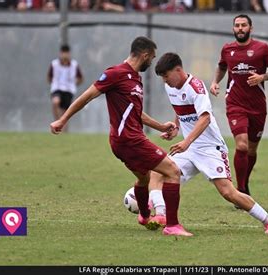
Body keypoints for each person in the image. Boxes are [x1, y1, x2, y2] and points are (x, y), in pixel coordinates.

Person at [50, 37, 192, 237]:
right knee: (173, 171)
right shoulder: (115, 74)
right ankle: (173, 226)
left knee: (144, 178)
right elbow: (87, 96)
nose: (151, 62)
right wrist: (62, 120)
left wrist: (161, 125)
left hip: (127, 140)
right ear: (144, 55)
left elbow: (137, 113)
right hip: (129, 140)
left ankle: (144, 215)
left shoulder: (136, 79)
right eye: (151, 58)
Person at [147, 52, 268, 235]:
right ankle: (162, 215)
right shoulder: (171, 87)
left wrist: (186, 141)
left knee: (228, 193)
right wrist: (176, 127)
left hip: (210, 149)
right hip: (189, 148)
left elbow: (205, 119)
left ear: (178, 70)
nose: (164, 81)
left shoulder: (196, 87)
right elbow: (179, 108)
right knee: (157, 171)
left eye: (166, 76)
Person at [209, 14, 268, 197]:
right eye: (237, 25)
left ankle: (245, 182)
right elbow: (222, 66)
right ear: (233, 28)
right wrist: (214, 82)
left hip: (257, 106)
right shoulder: (227, 49)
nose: (240, 28)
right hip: (235, 104)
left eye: (243, 25)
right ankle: (240, 190)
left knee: (251, 149)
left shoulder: (262, 48)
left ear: (251, 28)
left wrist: (262, 77)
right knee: (241, 146)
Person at [48, 45, 83, 132]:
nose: (65, 55)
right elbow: (49, 77)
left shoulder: (74, 65)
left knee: (65, 111)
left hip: (68, 90)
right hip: (57, 88)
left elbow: (80, 78)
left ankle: (63, 130)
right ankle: (56, 122)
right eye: (63, 53)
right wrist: (53, 84)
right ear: (60, 53)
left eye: (66, 53)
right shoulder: (54, 64)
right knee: (55, 102)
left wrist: (74, 84)